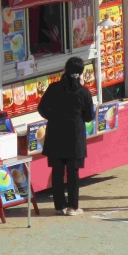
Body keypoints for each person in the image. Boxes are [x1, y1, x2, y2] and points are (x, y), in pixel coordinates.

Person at [38, 57, 95, 216]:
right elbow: (89, 116)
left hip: (56, 133)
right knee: (73, 172)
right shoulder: (83, 92)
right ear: (81, 73)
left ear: (65, 69)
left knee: (57, 171)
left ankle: (59, 206)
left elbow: (42, 108)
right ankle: (73, 207)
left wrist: (53, 117)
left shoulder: (54, 88)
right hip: (75, 136)